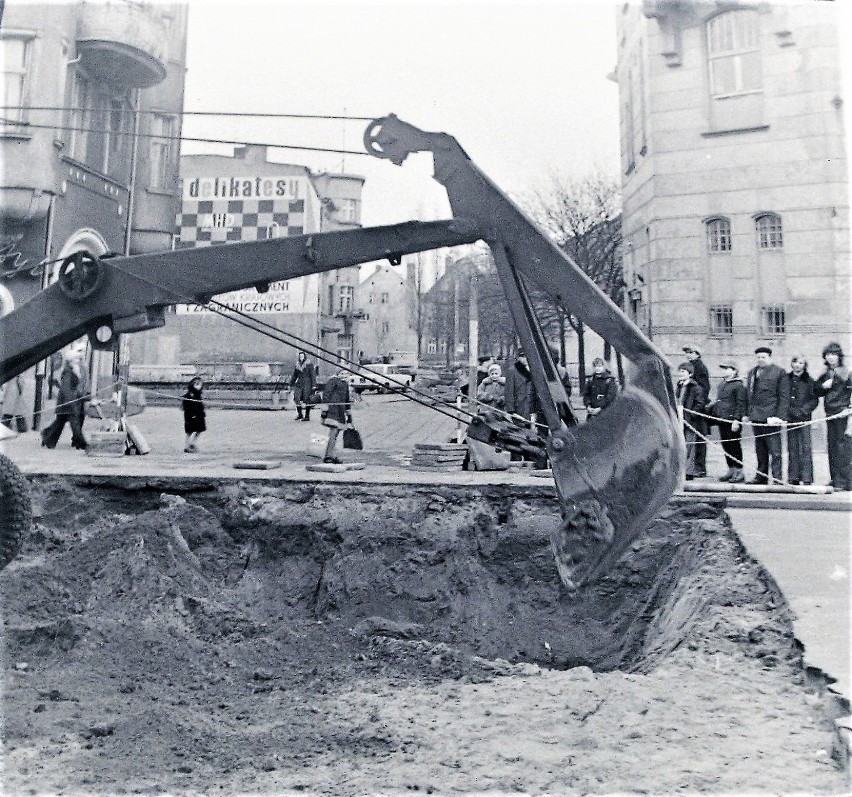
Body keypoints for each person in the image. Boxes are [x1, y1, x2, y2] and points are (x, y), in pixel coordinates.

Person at [743, 346, 789, 485]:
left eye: (763, 357)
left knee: (775, 450)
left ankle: (777, 478)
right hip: (756, 417)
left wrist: (779, 417)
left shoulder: (779, 372)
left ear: (770, 357)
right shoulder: (752, 372)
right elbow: (748, 395)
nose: (760, 360)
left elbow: (784, 396)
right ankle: (761, 476)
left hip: (771, 417)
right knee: (760, 449)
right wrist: (747, 414)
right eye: (758, 357)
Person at [814, 341, 852, 491]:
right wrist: (823, 386)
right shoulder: (825, 375)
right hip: (830, 415)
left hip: (843, 414)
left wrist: (849, 408)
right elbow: (816, 391)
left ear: (839, 357)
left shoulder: (847, 373)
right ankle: (835, 478)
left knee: (843, 448)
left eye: (834, 355)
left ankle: (845, 481)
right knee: (832, 448)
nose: (831, 358)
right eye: (828, 355)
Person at [706, 361, 747, 483]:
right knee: (726, 445)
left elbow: (741, 404)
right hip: (722, 419)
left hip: (732, 420)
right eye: (724, 369)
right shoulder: (722, 384)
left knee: (734, 445)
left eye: (727, 369)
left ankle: (739, 471)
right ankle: (731, 469)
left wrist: (737, 420)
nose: (724, 371)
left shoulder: (739, 386)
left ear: (734, 371)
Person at [41, 355, 88, 450]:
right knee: (74, 423)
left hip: (68, 402)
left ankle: (47, 435)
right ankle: (81, 443)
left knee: (60, 422)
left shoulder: (73, 371)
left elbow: (74, 388)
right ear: (70, 361)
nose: (78, 361)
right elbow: (66, 389)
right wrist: (71, 401)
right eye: (76, 359)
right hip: (67, 402)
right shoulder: (68, 373)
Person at [785, 355, 818, 486]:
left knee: (805, 447)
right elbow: (783, 397)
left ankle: (807, 477)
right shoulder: (786, 379)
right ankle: (793, 477)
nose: (797, 365)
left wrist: (803, 411)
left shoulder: (809, 381)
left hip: (804, 419)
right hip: (790, 418)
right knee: (792, 447)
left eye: (800, 363)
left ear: (805, 365)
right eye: (795, 362)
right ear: (792, 364)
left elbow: (813, 400)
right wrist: (789, 411)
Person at [675, 362, 706, 480]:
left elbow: (700, 403)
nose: (680, 374)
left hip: (690, 421)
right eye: (680, 371)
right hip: (680, 418)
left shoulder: (696, 388)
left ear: (690, 374)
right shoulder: (679, 385)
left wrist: (691, 414)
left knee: (689, 445)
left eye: (683, 372)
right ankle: (680, 469)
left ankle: (689, 471)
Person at [683, 345, 710, 477]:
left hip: (696, 410)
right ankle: (693, 467)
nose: (688, 355)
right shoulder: (691, 366)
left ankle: (699, 468)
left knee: (698, 439)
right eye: (687, 352)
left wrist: (697, 407)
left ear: (698, 354)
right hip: (690, 409)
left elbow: (704, 388)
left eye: (691, 352)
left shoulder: (699, 368)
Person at [321, 366, 352, 464]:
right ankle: (330, 455)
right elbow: (326, 395)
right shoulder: (333, 381)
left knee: (335, 433)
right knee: (333, 432)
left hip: (340, 411)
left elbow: (347, 401)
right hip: (333, 409)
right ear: (337, 374)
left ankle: (328, 454)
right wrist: (325, 410)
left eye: (346, 373)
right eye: (342, 373)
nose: (344, 375)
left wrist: (349, 416)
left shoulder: (346, 385)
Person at [290, 351, 316, 422]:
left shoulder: (309, 364)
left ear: (304, 357)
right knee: (297, 398)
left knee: (307, 399)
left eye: (302, 356)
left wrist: (314, 385)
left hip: (307, 384)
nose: (301, 357)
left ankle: (307, 416)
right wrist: (291, 383)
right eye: (300, 356)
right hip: (299, 383)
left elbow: (313, 375)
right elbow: (295, 375)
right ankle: (300, 414)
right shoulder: (297, 364)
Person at [182, 377, 206, 453]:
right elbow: (186, 406)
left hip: (199, 415)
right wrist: (192, 414)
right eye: (196, 384)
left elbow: (200, 405)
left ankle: (192, 443)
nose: (198, 386)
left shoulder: (198, 395)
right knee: (189, 431)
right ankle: (187, 446)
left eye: (200, 384)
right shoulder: (189, 395)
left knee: (199, 430)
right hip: (191, 415)